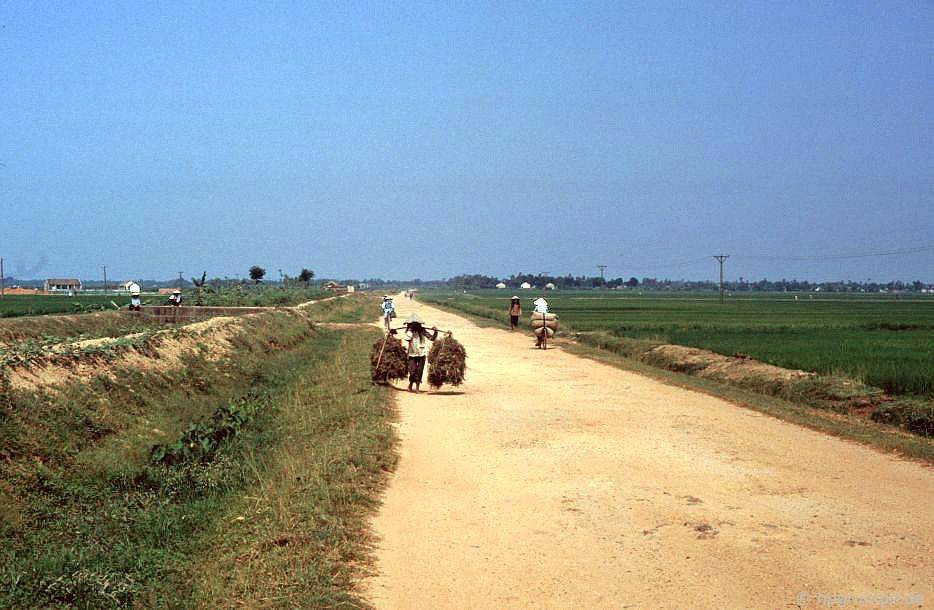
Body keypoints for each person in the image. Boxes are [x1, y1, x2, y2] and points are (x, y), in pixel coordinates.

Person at [404, 313, 438, 393]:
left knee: (419, 371)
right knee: (413, 371)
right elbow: (407, 339)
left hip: (421, 354)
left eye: (417, 324)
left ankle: (417, 387)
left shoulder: (423, 331)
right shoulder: (408, 331)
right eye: (413, 324)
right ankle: (410, 384)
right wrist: (411, 330)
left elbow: (432, 338)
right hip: (412, 354)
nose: (415, 325)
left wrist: (435, 332)